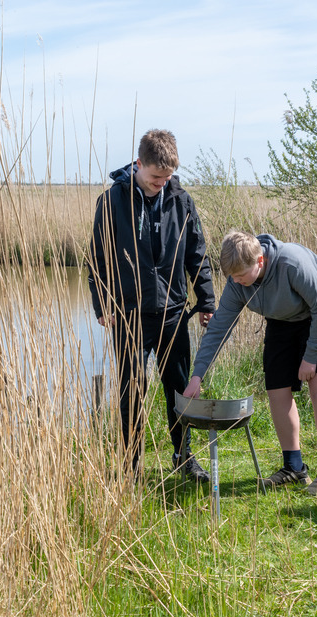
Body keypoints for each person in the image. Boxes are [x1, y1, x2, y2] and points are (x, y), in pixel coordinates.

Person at [88, 129, 215, 481]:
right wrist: (102, 304)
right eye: (157, 176)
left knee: (179, 390)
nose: (162, 182)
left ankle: (184, 456)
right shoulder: (113, 200)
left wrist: (206, 299)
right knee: (132, 390)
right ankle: (130, 466)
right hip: (128, 315)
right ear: (140, 164)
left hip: (173, 313)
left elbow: (197, 253)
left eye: (168, 176)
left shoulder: (182, 200)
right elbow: (97, 259)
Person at [182, 232, 317, 496]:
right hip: (281, 317)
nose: (237, 282)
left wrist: (311, 356)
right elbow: (218, 329)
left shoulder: (291, 264)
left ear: (260, 260)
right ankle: (293, 468)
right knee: (276, 388)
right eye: (232, 277)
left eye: (241, 276)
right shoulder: (238, 282)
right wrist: (197, 376)